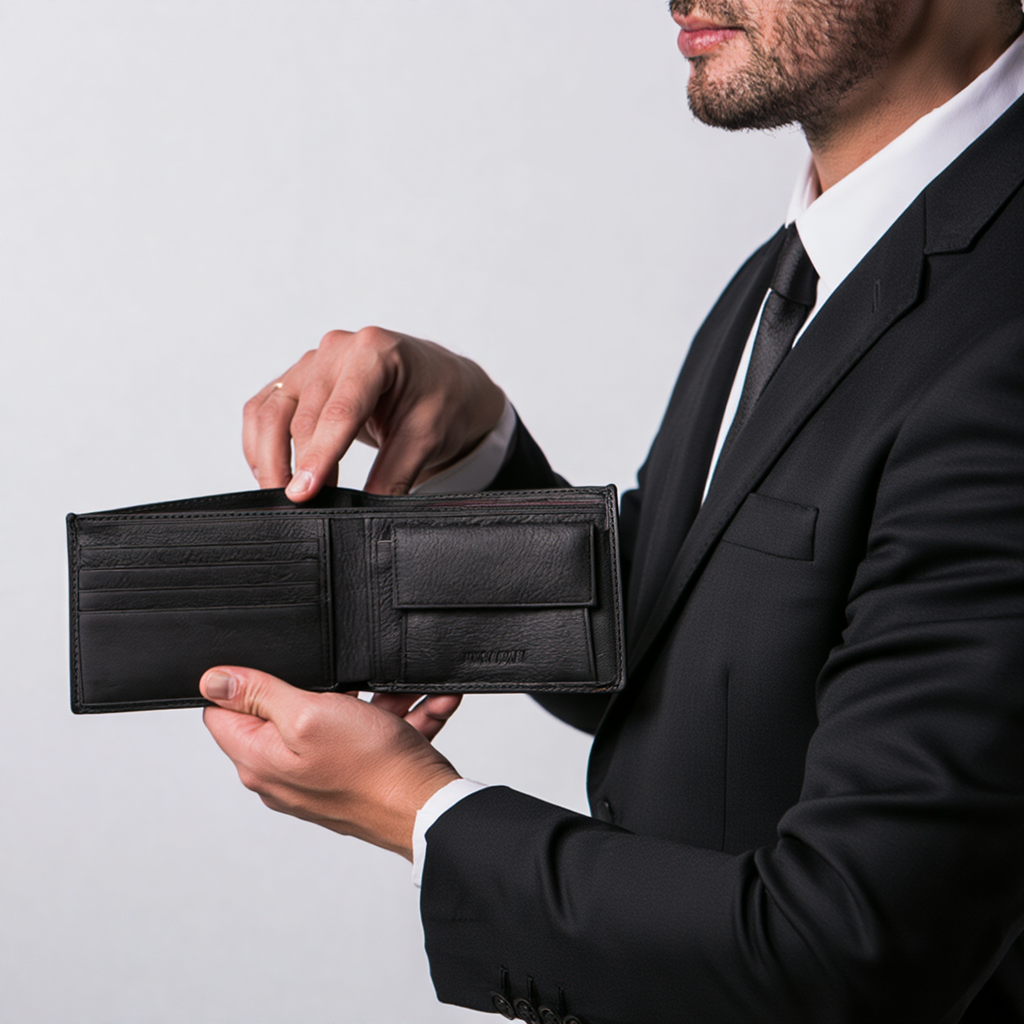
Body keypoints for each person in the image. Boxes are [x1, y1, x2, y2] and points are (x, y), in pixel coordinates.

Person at [198, 1, 1024, 1020]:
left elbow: (850, 939)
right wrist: (476, 449)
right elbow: (705, 659)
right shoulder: (807, 263)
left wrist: (423, 810)